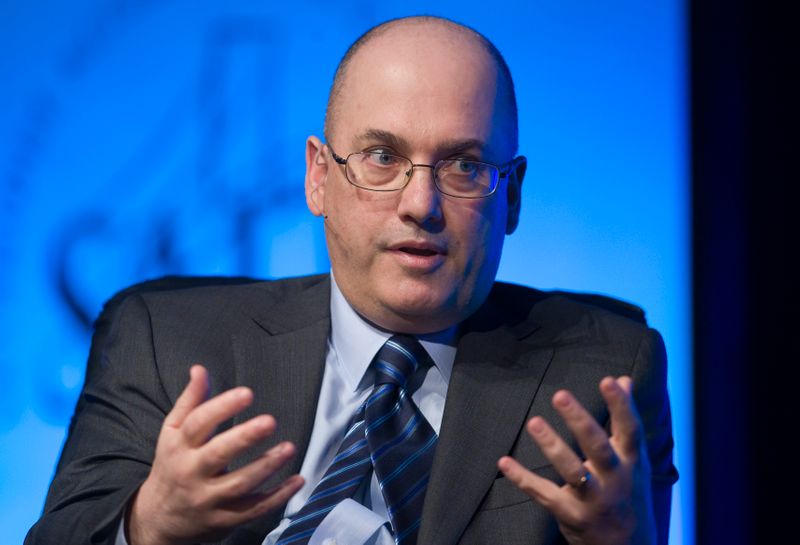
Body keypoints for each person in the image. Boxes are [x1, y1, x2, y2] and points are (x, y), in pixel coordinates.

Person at [26, 15, 677, 545]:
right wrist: (147, 525)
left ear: (511, 197)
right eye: (382, 156)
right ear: (318, 176)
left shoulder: (605, 368)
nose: (420, 203)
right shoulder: (165, 339)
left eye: (465, 165)